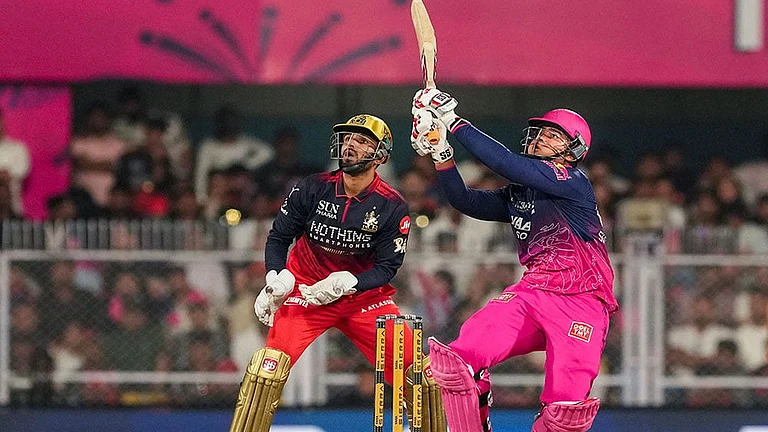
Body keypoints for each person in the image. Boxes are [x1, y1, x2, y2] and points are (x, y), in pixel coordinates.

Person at [410, 89, 618, 432]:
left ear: (574, 150)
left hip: (581, 301)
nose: (541, 139)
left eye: (553, 136)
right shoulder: (521, 192)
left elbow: (505, 162)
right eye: (540, 133)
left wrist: (453, 121)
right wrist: (441, 153)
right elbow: (464, 201)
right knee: (457, 361)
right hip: (532, 292)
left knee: (563, 416)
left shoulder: (572, 181)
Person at [229, 114, 446, 432]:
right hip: (306, 292)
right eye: (348, 139)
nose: (350, 145)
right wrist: (276, 278)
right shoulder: (312, 187)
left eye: (362, 141)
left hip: (363, 299)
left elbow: (387, 267)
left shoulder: (392, 205)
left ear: (381, 156)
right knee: (266, 371)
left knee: (422, 376)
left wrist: (350, 282)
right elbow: (278, 237)